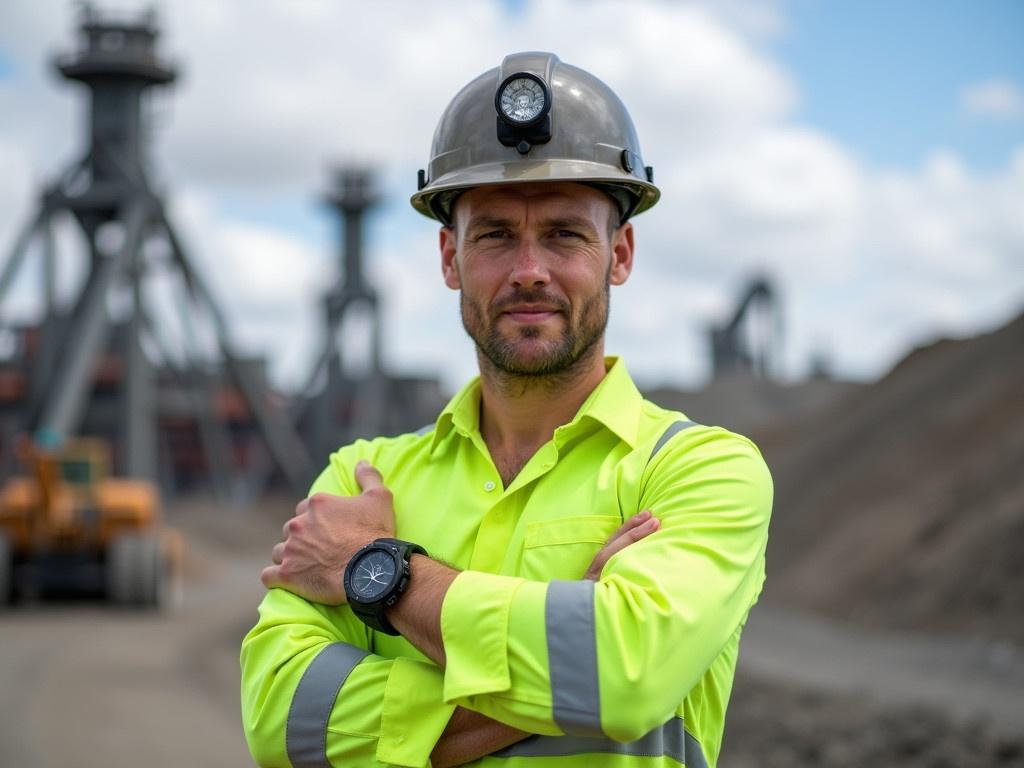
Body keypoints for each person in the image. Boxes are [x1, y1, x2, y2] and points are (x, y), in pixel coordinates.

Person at [240, 52, 772, 768]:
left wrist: (379, 572)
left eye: (563, 234)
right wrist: (565, 646)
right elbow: (285, 722)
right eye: (494, 235)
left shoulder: (700, 472)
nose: (529, 270)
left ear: (620, 252)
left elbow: (623, 679)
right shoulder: (362, 477)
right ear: (449, 258)